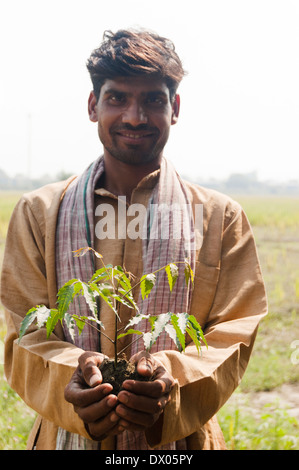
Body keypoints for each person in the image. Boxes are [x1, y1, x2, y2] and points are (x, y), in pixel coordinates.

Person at [1, 29, 267, 450]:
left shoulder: (219, 217)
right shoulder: (39, 212)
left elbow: (234, 334)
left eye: (153, 100)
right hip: (63, 437)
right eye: (117, 98)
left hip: (180, 445)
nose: (135, 116)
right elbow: (26, 334)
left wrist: (169, 378)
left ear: (174, 108)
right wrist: (76, 372)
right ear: (93, 105)